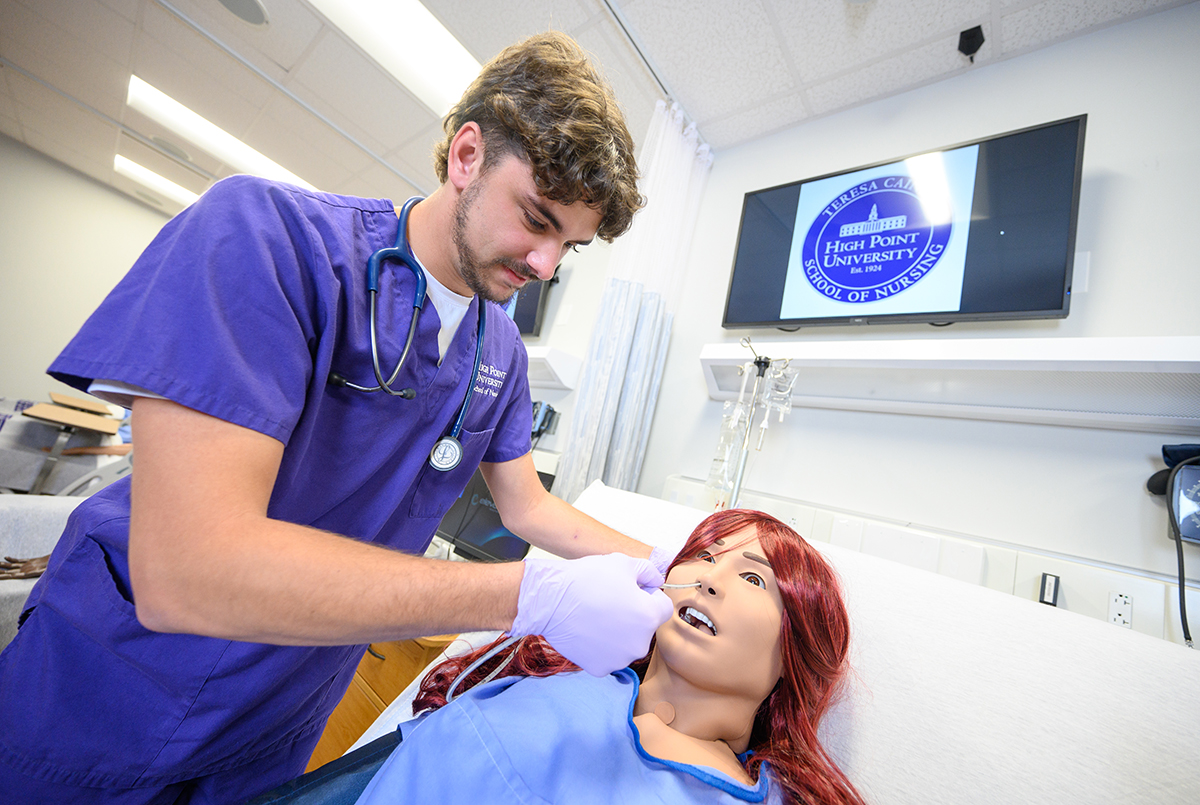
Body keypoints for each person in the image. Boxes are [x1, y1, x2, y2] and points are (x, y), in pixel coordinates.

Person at [0, 32, 675, 804]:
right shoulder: (267, 239)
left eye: (570, 245)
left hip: (279, 711)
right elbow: (187, 571)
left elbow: (529, 505)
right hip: (116, 683)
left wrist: (675, 568)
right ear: (465, 157)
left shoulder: (501, 355)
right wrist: (528, 596)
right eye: (536, 217)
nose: (546, 264)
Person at [249, 509, 868, 805]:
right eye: (703, 556)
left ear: (796, 657)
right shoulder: (561, 671)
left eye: (754, 580)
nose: (708, 579)